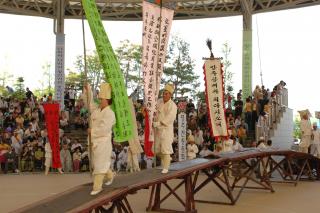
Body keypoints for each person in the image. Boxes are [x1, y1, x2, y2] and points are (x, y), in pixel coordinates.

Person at [83, 83, 116, 195]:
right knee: (95, 164)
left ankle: (97, 187)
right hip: (93, 141)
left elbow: (104, 129)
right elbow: (89, 103)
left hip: (103, 143)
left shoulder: (110, 114)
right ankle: (110, 175)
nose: (100, 100)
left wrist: (91, 131)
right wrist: (88, 91)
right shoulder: (96, 110)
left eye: (101, 99)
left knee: (99, 164)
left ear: (107, 100)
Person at [153, 84, 177, 174]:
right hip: (157, 130)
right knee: (157, 150)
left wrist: (159, 123)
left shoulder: (173, 105)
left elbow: (170, 118)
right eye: (164, 93)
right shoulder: (159, 101)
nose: (164, 95)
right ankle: (167, 159)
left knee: (165, 149)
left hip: (166, 130)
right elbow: (153, 110)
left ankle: (166, 167)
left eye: (166, 94)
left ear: (170, 95)